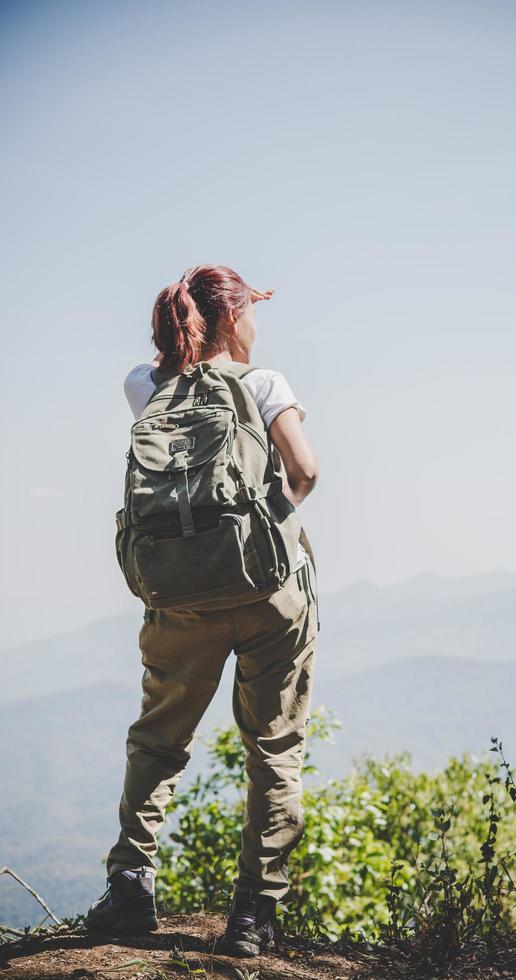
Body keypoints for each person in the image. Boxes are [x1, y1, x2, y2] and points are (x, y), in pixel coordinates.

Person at [86, 265, 319, 958]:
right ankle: (252, 915)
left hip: (178, 597)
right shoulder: (266, 384)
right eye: (252, 314)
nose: (256, 328)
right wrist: (261, 534)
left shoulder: (144, 385)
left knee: (159, 739)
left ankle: (129, 885)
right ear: (232, 318)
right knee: (273, 748)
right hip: (269, 595)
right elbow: (305, 473)